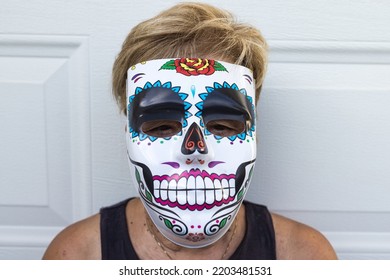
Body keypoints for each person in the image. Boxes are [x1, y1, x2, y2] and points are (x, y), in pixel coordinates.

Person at [43, 2, 337, 260]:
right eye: (161, 126)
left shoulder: (303, 256)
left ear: (254, 131)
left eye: (222, 126)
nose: (195, 149)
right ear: (128, 133)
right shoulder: (77, 256)